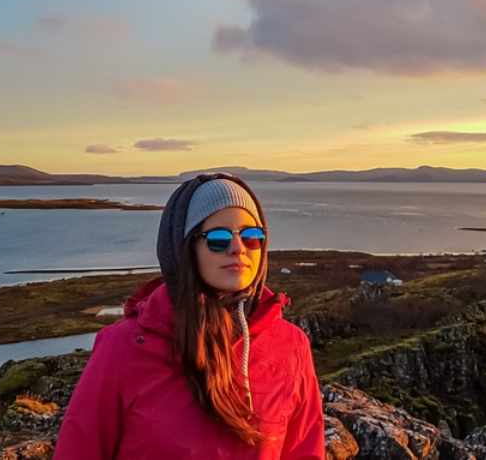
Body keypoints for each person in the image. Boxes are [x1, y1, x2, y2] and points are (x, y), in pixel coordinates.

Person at [54, 172, 325, 459]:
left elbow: (304, 450)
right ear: (185, 249)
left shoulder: (290, 345)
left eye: (252, 236)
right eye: (218, 239)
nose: (238, 248)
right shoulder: (124, 347)